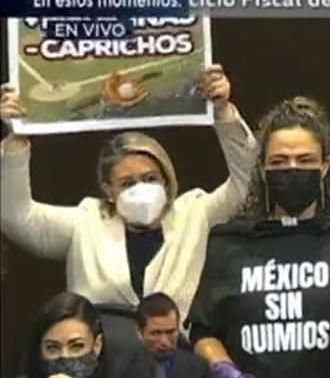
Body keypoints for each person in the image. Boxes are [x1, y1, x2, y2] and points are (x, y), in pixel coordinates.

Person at [188, 96, 330, 378]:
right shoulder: (229, 242)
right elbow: (202, 332)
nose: (292, 169)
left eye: (305, 160)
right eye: (279, 162)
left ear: (326, 166)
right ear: (263, 170)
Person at [0, 65, 257, 320]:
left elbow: (248, 184)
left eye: (150, 178)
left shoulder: (195, 213)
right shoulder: (85, 223)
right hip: (107, 356)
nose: (141, 189)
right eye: (127, 183)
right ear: (108, 189)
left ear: (166, 181)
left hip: (181, 355)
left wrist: (223, 112)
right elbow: (17, 217)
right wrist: (16, 140)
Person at [103, 293, 224, 378]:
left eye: (170, 332)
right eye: (156, 333)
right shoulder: (123, 366)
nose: (164, 342)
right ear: (140, 332)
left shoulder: (198, 367)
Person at [1, 292, 110, 378]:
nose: (65, 356)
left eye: (77, 346)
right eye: (52, 348)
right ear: (40, 350)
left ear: (97, 345)